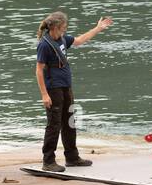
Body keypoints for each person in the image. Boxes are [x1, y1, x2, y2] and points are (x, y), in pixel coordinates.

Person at [35, 10, 113, 172]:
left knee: (70, 122)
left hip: (66, 86)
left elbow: (79, 40)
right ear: (55, 27)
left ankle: (72, 157)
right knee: (54, 124)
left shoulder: (63, 39)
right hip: (53, 88)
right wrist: (44, 94)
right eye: (63, 27)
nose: (65, 30)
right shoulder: (44, 45)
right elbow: (39, 70)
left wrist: (98, 28)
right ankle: (48, 161)